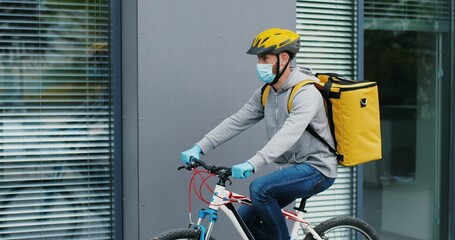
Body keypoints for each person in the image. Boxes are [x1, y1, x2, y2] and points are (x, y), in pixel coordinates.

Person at [181, 28, 338, 240]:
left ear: (284, 58)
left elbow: (288, 134)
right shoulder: (266, 92)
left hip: (317, 168)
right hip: (292, 169)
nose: (260, 64)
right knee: (246, 219)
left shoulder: (306, 93)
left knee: (260, 188)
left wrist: (254, 162)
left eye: (265, 58)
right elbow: (237, 121)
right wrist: (200, 146)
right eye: (259, 59)